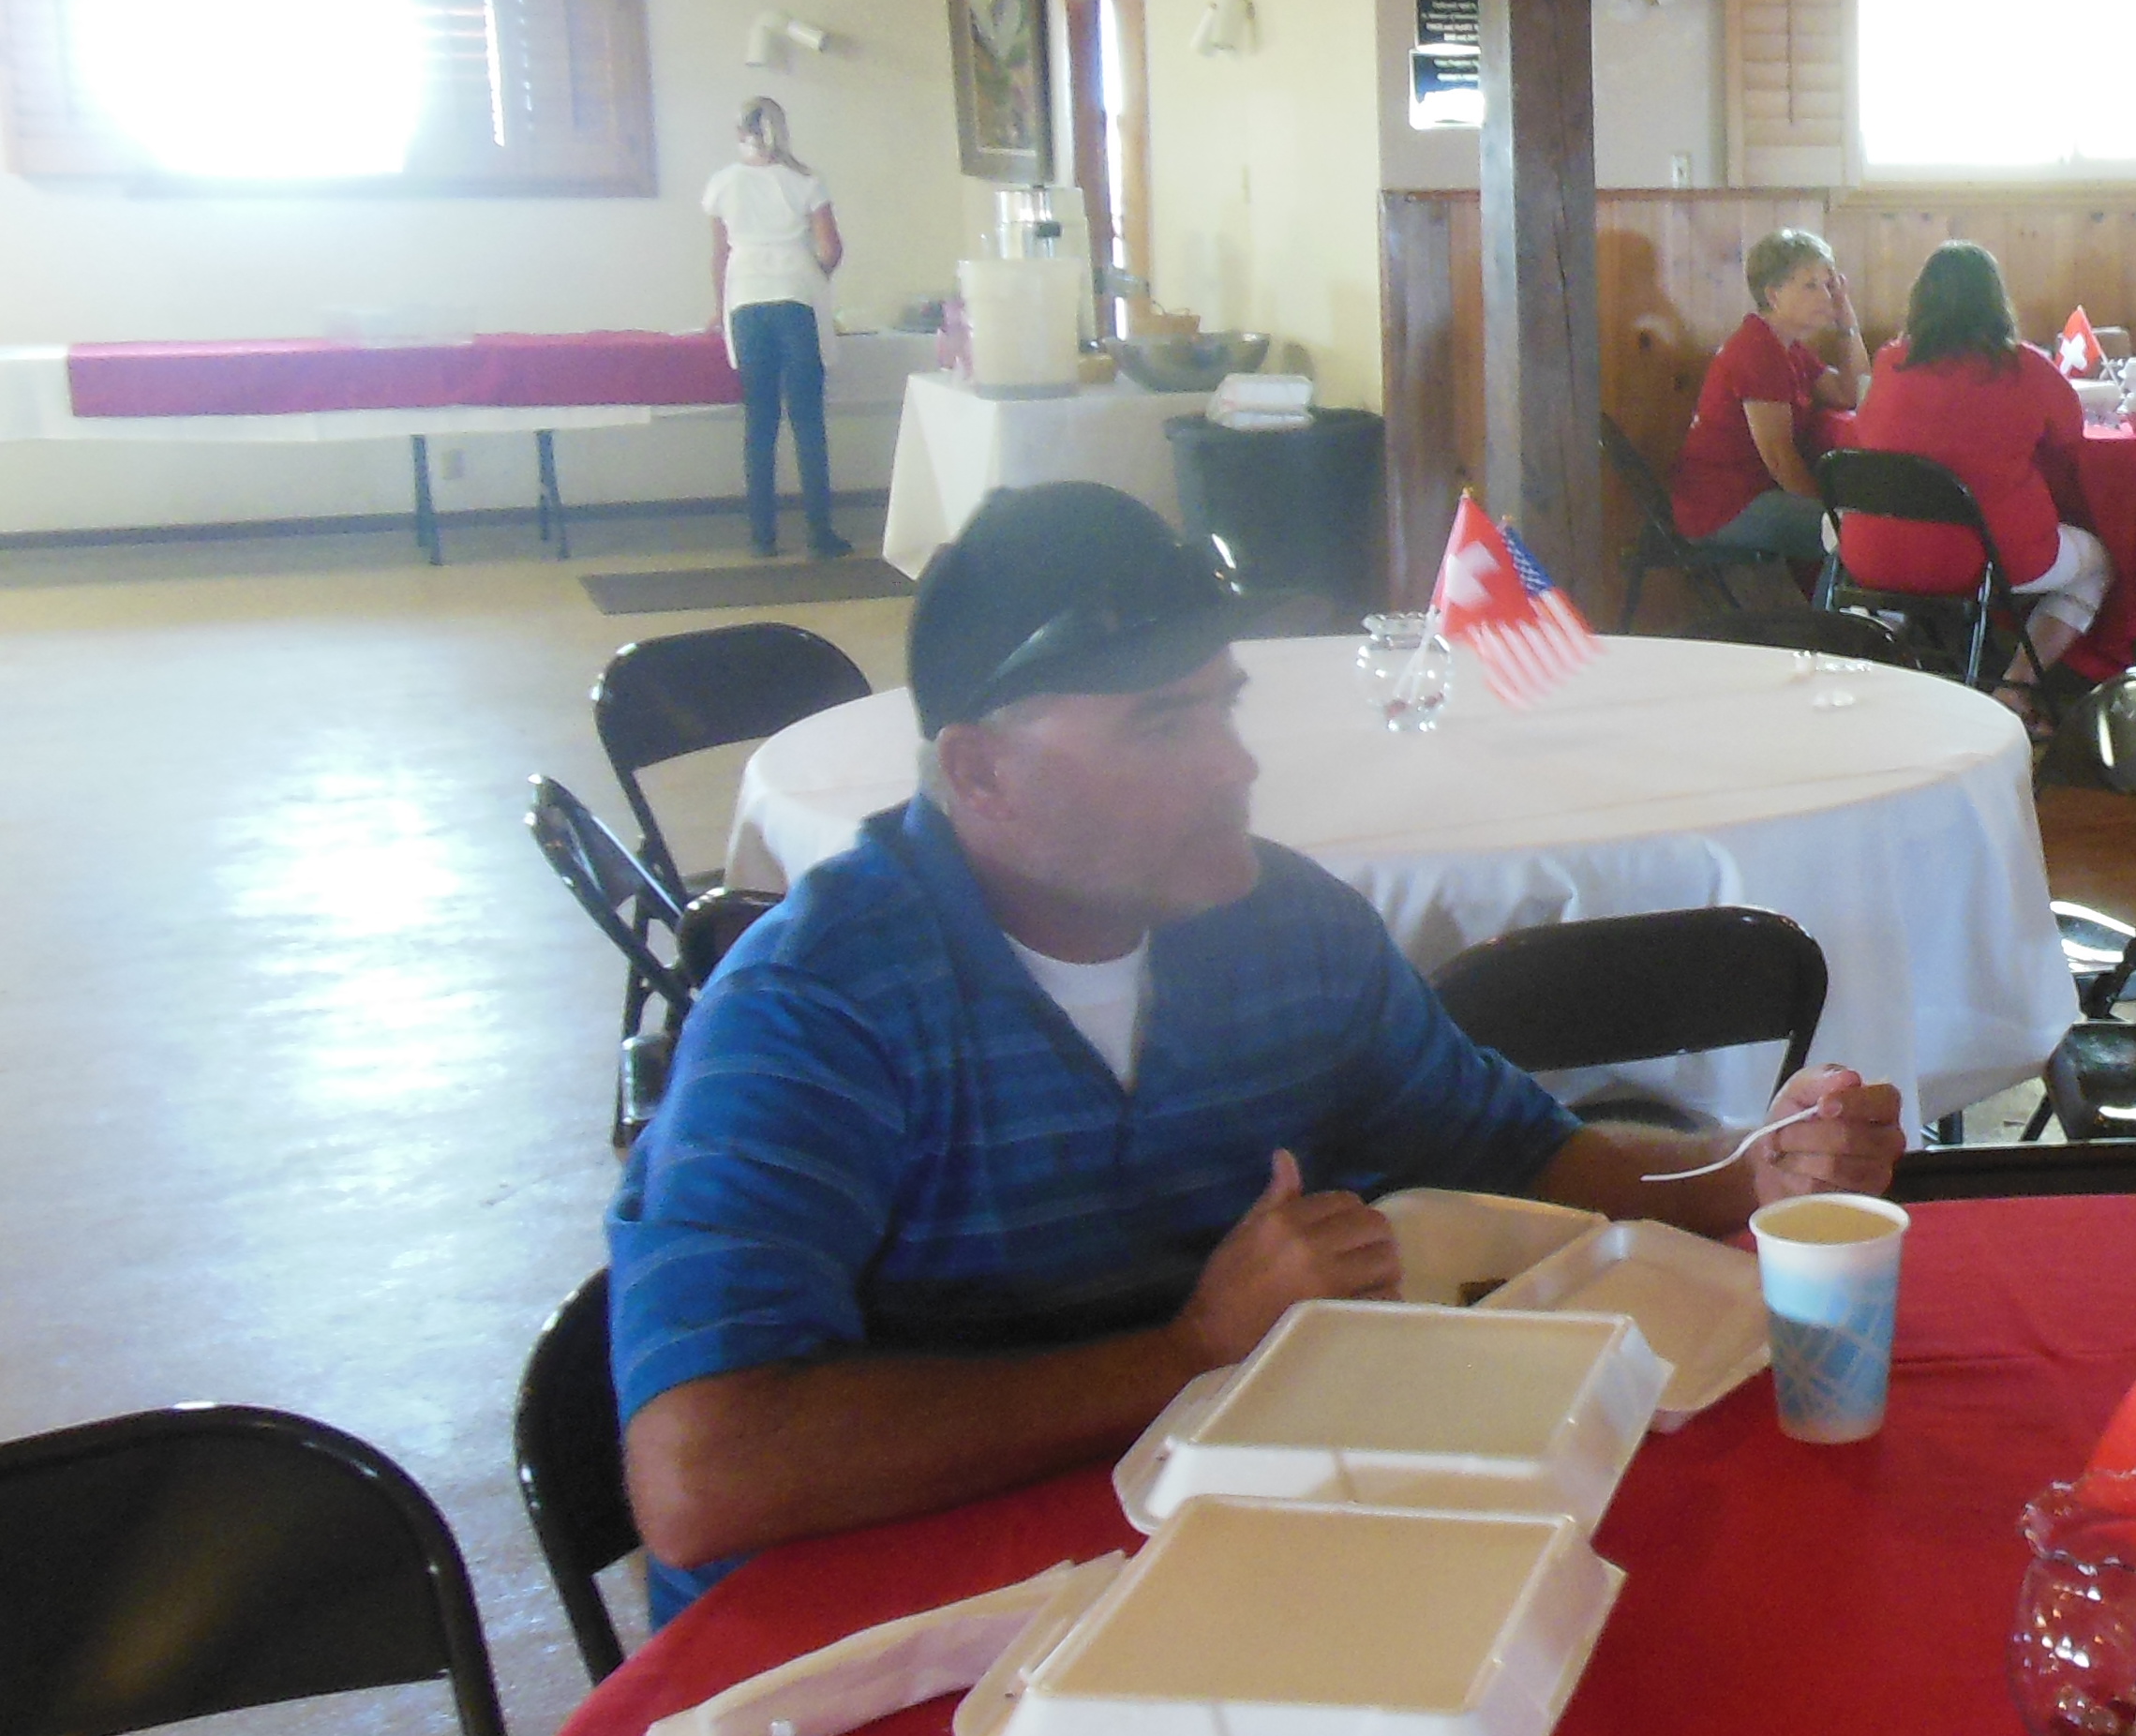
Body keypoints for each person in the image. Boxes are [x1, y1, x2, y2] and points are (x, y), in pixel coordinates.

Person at [607, 483, 1907, 1619]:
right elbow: (703, 1472)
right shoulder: (816, 1013)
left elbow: (1524, 1156)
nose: (1235, 766)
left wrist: (1747, 1170)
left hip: (1233, 1577)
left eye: (1224, 709)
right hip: (881, 1643)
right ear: (981, 772)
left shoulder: (1286, 931)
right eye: (1160, 726)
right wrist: (1187, 1354)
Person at [1843, 242, 2112, 683]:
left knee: (1875, 559)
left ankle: (1878, 655)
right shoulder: (2025, 366)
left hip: (1874, 553)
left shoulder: (1890, 362)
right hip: (1989, 557)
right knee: (2097, 563)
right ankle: (2017, 685)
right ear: (1996, 301)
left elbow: (1866, 433)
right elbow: (2070, 436)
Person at [1669, 228, 1866, 573]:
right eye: (1811, 286)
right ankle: (1834, 611)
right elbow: (1779, 459)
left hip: (1754, 494)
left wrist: (1847, 320)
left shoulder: (1788, 347)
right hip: (1723, 506)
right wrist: (1828, 512)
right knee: (1858, 534)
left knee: (1859, 527)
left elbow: (1850, 393)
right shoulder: (1757, 350)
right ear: (1773, 295)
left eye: (1829, 284)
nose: (1827, 295)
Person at [706, 97, 848, 561]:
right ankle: (819, 532)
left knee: (760, 419)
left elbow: (720, 256)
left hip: (747, 299)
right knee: (807, 419)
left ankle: (762, 536)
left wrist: (718, 308)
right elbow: (830, 248)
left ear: (739, 132)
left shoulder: (723, 184)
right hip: (796, 297)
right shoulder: (806, 180)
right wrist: (812, 277)